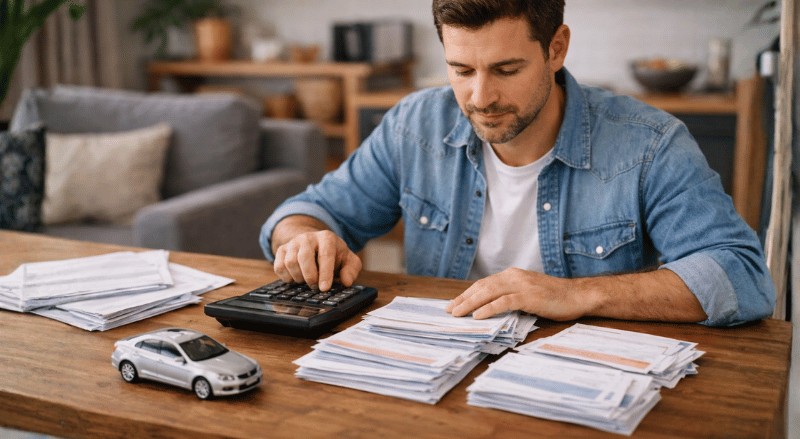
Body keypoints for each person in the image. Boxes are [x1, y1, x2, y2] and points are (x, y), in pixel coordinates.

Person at [260, 0, 775, 327]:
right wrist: (305, 239)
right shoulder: (414, 124)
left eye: (506, 69)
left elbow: (742, 276)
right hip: (437, 374)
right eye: (461, 69)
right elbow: (307, 213)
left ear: (557, 49)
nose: (480, 97)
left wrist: (575, 295)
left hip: (580, 385)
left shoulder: (650, 144)